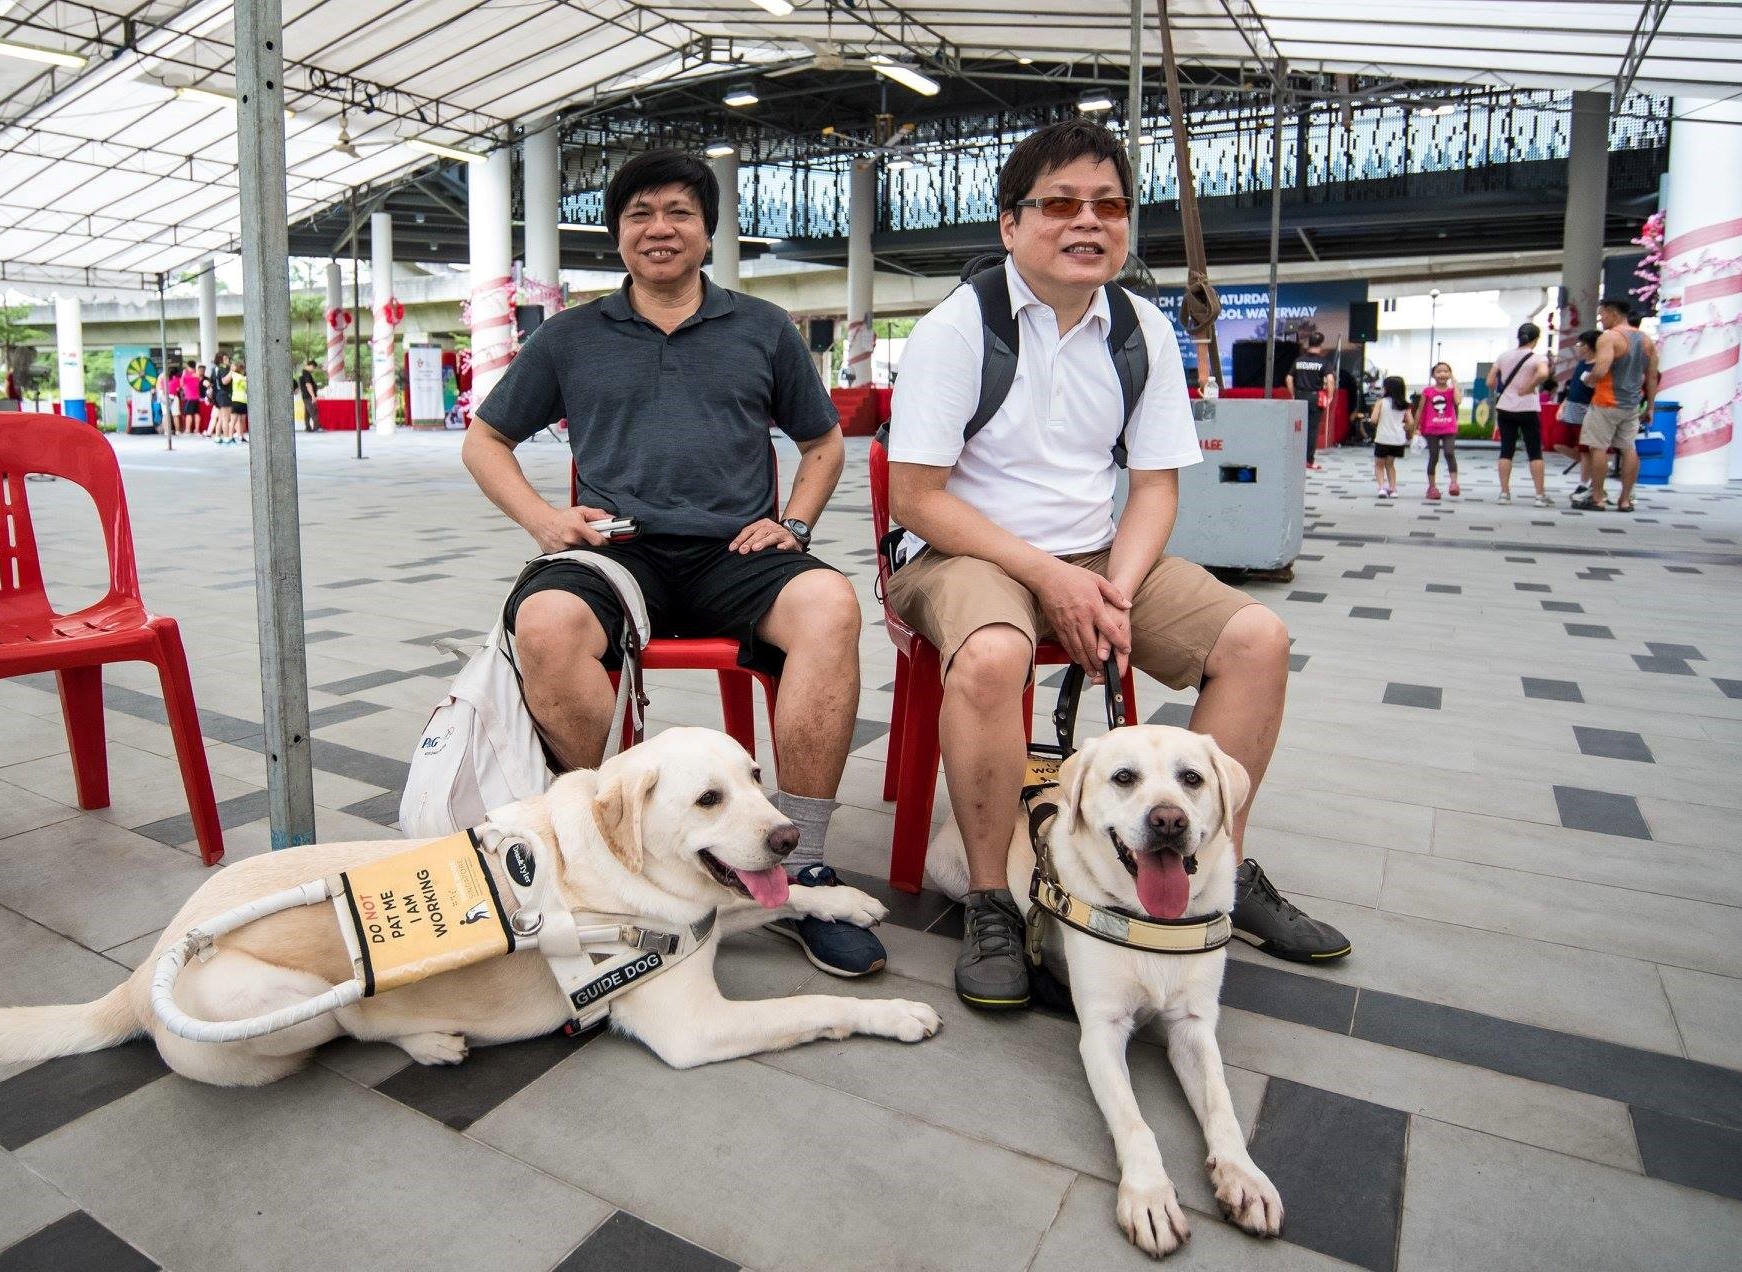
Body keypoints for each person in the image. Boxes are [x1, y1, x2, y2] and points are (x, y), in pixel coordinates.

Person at [888, 119, 1350, 1010]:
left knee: (1257, 637)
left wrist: (1116, 590)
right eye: (1059, 203)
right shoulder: (958, 329)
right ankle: (990, 898)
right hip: (960, 547)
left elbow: (1152, 488)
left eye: (1107, 204)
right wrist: (1051, 578)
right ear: (1009, 224)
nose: (1086, 221)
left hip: (1096, 551)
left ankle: (1220, 869)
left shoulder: (1139, 326)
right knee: (992, 654)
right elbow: (916, 496)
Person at [461, 148, 885, 979]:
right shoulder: (572, 336)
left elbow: (823, 440)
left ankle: (801, 865)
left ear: (705, 230)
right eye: (639, 215)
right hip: (619, 554)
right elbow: (486, 441)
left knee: (830, 606)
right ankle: (595, 849)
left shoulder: (760, 328)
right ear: (617, 235)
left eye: (678, 213)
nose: (659, 229)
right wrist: (545, 521)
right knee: (544, 620)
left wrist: (793, 523)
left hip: (736, 552)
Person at [1575, 298, 1659, 513]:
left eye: (1602, 314)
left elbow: (1601, 369)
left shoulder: (1609, 337)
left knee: (1598, 447)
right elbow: (1651, 377)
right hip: (1631, 405)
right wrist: (1650, 406)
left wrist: (1588, 379)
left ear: (1612, 313)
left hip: (1606, 402)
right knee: (1628, 448)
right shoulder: (1647, 340)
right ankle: (1624, 500)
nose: (1600, 319)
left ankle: (1598, 498)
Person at [1490, 323, 1554, 507]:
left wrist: (1505, 390)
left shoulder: (1504, 356)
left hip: (1505, 407)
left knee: (1506, 450)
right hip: (1528, 407)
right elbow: (1543, 373)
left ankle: (1504, 493)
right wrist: (1529, 387)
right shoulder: (1538, 358)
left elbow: (1490, 380)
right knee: (1534, 451)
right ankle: (1539, 495)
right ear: (1535, 339)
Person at [1558, 330, 1599, 494]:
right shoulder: (1582, 363)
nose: (1578, 347)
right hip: (1572, 407)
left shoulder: (1598, 365)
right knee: (1558, 441)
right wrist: (1563, 404)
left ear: (1589, 346)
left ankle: (1585, 482)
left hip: (1587, 409)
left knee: (1585, 448)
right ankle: (1595, 468)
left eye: (1580, 344)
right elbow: (1573, 388)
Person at [1285, 331, 1332, 471]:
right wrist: (1330, 397)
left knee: (1297, 428)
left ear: (1309, 343)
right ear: (1320, 345)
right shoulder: (1323, 362)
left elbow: (1289, 378)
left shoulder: (1299, 361)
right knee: (1311, 430)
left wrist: (1294, 394)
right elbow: (1330, 380)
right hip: (1314, 398)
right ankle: (1308, 461)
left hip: (1300, 396)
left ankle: (1294, 459)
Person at [1417, 361, 1461, 501]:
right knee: (1433, 455)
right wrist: (1416, 427)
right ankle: (1432, 487)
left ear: (1450, 374)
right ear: (1433, 375)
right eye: (1439, 371)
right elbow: (1420, 409)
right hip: (1431, 428)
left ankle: (1454, 483)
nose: (1442, 374)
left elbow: (1458, 401)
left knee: (1449, 452)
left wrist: (1455, 383)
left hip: (1448, 427)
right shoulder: (1427, 391)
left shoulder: (1452, 391)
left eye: (1446, 371)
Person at [1370, 375, 1412, 498]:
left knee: (1379, 464)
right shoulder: (1405, 405)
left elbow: (1373, 419)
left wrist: (1374, 423)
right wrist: (1403, 428)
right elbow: (1411, 423)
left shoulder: (1381, 402)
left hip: (1383, 438)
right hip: (1397, 440)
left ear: (1387, 388)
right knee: (1390, 464)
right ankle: (1393, 489)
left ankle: (1382, 488)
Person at [226, 358, 249, 444]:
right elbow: (239, 379)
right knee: (233, 420)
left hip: (243, 400)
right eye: (242, 368)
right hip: (236, 400)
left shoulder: (243, 377)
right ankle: (230, 437)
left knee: (242, 420)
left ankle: (241, 436)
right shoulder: (235, 375)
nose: (244, 370)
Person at [179, 361, 205, 435]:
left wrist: (184, 374)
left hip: (189, 397)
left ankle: (187, 430)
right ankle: (197, 430)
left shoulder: (187, 375)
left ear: (188, 366)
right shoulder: (197, 375)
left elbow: (181, 384)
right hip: (196, 397)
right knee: (196, 413)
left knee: (189, 414)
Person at [299, 358, 320, 432]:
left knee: (307, 412)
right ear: (310, 366)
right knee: (313, 411)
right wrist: (313, 396)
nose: (313, 370)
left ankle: (308, 427)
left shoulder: (302, 372)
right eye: (313, 368)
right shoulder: (306, 373)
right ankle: (317, 426)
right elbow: (308, 385)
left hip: (305, 395)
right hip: (308, 396)